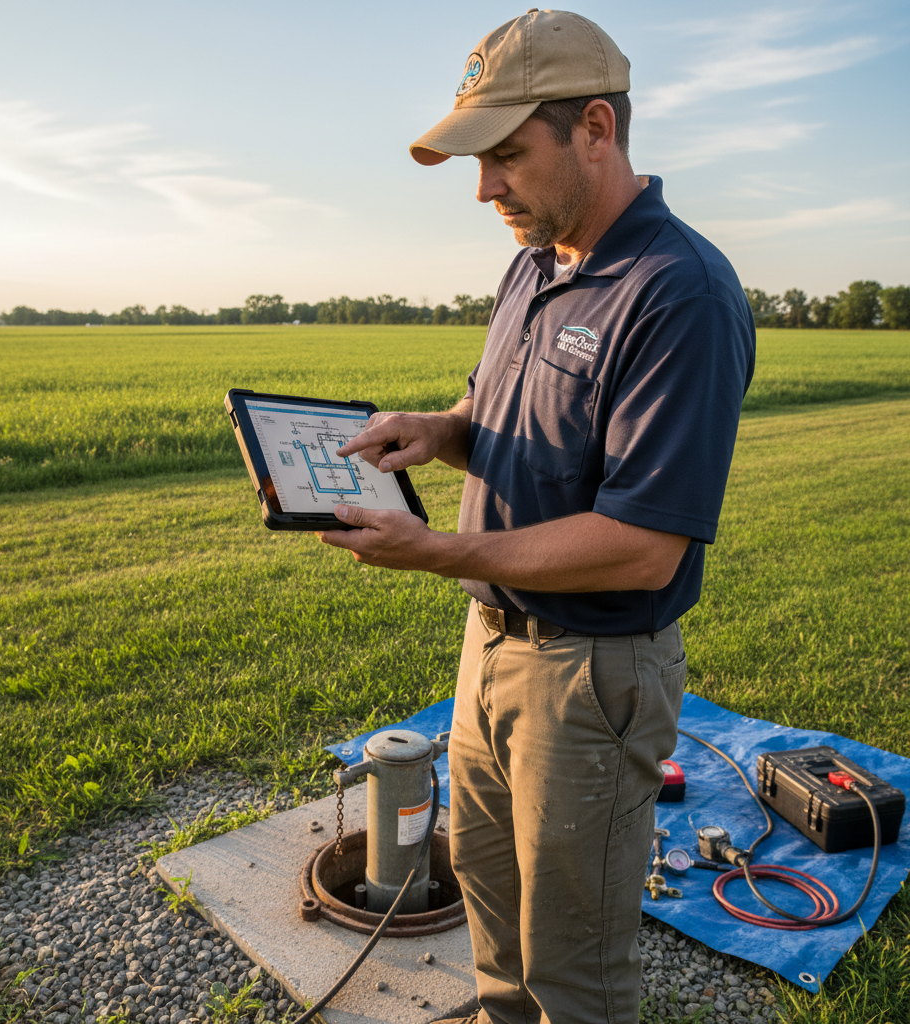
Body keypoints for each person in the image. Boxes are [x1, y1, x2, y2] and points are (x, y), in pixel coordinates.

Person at [318, 10, 755, 1024]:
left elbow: (644, 547)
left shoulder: (677, 291)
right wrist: (436, 430)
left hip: (589, 679)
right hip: (490, 647)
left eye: (506, 155)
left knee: (572, 968)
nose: (484, 189)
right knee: (493, 909)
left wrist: (436, 551)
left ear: (595, 129)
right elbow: (504, 422)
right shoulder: (534, 262)